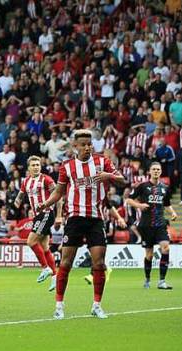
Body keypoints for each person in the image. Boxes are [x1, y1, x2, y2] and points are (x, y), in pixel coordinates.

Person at [39, 130, 126, 320]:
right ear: (75, 147)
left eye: (89, 144)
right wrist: (46, 203)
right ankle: (59, 306)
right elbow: (59, 192)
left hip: (96, 220)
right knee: (66, 263)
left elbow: (122, 180)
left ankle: (97, 305)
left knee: (99, 263)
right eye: (83, 144)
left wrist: (108, 176)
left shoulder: (103, 162)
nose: (87, 147)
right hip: (75, 219)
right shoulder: (67, 166)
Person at [126, 162, 178, 290]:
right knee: (149, 255)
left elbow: (166, 204)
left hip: (160, 224)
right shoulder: (142, 186)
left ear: (160, 172)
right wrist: (139, 205)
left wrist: (172, 212)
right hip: (146, 225)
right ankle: (148, 279)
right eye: (154, 169)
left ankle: (162, 281)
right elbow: (128, 199)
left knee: (165, 248)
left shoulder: (165, 188)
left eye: (158, 169)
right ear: (149, 171)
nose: (156, 171)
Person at [14, 155, 59, 291]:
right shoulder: (26, 181)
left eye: (37, 165)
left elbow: (58, 196)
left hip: (46, 213)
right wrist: (16, 202)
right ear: (28, 168)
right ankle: (55, 276)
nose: (36, 167)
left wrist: (59, 216)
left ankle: (45, 268)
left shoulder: (47, 179)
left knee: (31, 241)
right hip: (37, 216)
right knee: (45, 248)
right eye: (33, 165)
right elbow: (20, 196)